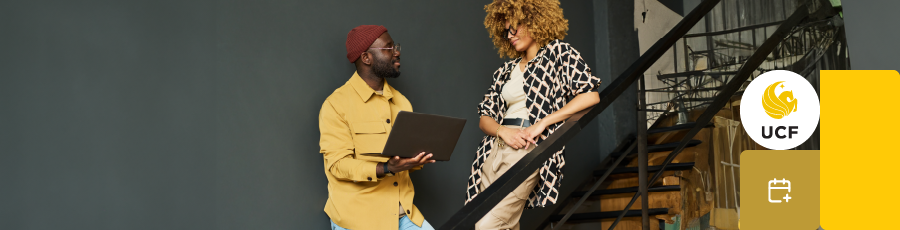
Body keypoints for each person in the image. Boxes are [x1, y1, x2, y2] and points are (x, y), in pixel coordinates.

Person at [464, 0, 602, 229]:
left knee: (488, 225)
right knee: (501, 223)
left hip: (527, 148)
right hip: (493, 151)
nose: (510, 35)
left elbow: (590, 95)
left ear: (534, 21)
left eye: (514, 27)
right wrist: (503, 132)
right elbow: (484, 118)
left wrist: (543, 123)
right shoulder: (504, 71)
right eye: (505, 30)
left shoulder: (558, 53)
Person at [320, 25, 436, 230]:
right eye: (389, 48)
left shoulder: (402, 103)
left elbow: (406, 158)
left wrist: (419, 158)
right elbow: (338, 165)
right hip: (359, 221)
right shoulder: (335, 105)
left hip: (404, 216)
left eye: (395, 46)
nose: (397, 52)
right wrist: (386, 168)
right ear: (366, 58)